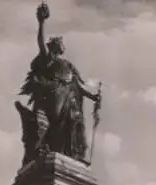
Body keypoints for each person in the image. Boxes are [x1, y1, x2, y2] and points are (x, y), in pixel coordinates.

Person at [18, 2, 100, 163]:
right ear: (55, 46)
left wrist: (94, 96)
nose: (64, 45)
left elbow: (77, 85)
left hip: (70, 97)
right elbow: (41, 43)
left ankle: (73, 154)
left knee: (75, 124)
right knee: (51, 124)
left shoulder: (68, 65)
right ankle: (45, 148)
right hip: (53, 93)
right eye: (60, 43)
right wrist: (41, 22)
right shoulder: (49, 59)